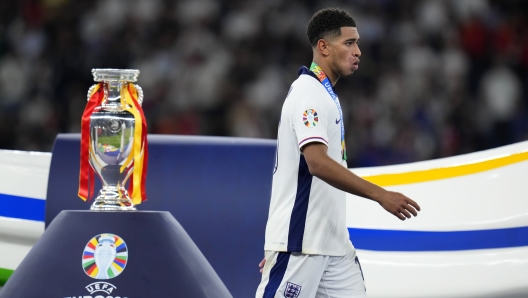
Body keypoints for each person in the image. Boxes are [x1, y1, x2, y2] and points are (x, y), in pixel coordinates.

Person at [255, 8, 421, 298]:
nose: (357, 51)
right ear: (324, 47)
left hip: (332, 246)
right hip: (301, 242)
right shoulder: (309, 94)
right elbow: (317, 163)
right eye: (349, 43)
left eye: (357, 43)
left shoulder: (323, 93)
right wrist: (381, 195)